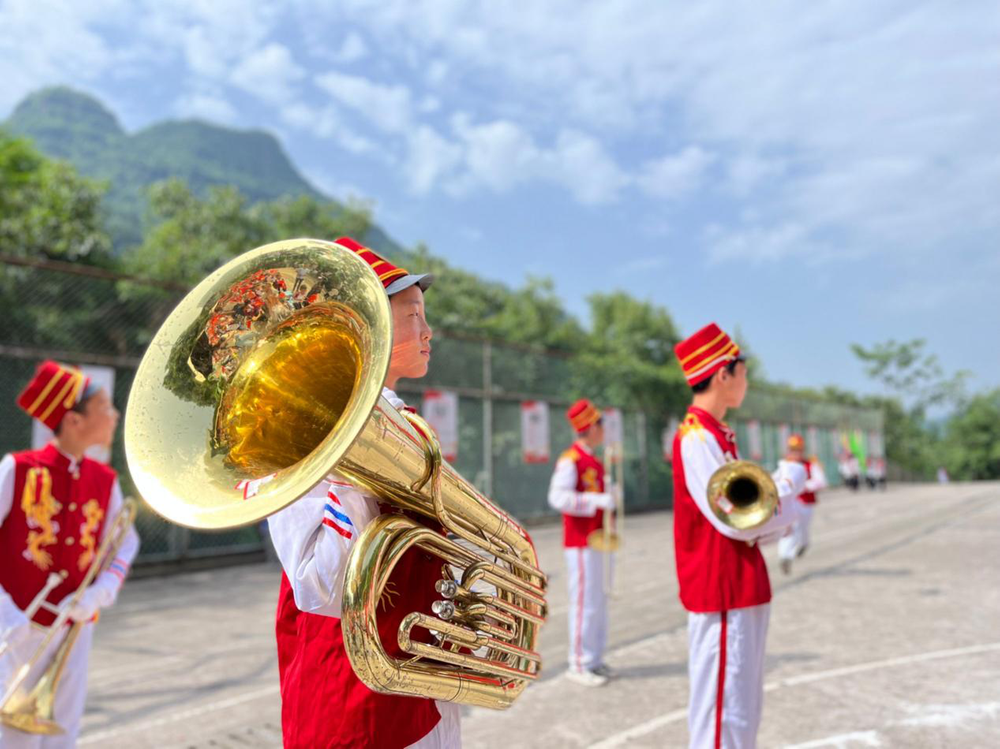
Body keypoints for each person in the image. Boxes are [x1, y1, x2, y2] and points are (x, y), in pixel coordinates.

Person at [267, 238, 463, 749]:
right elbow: (320, 589)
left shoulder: (406, 420)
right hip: (352, 703)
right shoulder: (299, 430)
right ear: (367, 325)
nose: (428, 331)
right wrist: (357, 469)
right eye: (413, 315)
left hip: (418, 687)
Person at [671, 323, 806, 749]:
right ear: (722, 375)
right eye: (743, 372)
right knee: (723, 709)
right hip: (721, 587)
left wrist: (784, 500)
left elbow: (744, 516)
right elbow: (732, 517)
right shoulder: (697, 438)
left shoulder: (716, 436)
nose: (746, 382)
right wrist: (788, 488)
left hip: (737, 581)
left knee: (741, 703)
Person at [0, 361, 139, 748]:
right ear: (74, 420)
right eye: (104, 407)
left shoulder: (104, 480)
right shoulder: (18, 469)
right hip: (17, 629)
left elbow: (126, 543)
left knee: (64, 727)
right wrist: (5, 612)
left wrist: (101, 592)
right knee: (13, 735)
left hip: (75, 629)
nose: (114, 416)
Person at [547, 399, 617, 687]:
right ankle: (578, 663)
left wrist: (610, 494)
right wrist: (595, 500)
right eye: (600, 424)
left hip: (598, 539)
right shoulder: (570, 459)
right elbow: (557, 498)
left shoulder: (595, 460)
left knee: (599, 600)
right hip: (580, 542)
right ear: (589, 428)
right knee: (584, 603)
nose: (604, 430)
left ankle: (594, 659)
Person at [777, 434, 827, 575]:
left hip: (805, 503)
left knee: (802, 529)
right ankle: (785, 557)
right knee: (787, 529)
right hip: (790, 503)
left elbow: (821, 482)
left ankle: (804, 544)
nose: (795, 453)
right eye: (792, 450)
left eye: (798, 450)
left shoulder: (811, 464)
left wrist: (803, 486)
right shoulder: (784, 465)